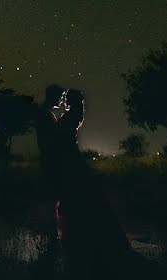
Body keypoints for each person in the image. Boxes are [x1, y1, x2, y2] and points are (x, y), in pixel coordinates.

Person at [56, 89, 134, 278]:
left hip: (69, 162)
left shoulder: (71, 115)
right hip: (71, 161)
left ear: (72, 100)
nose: (64, 100)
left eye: (66, 98)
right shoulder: (74, 114)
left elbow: (62, 140)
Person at [35, 84, 65, 243]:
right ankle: (52, 235)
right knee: (53, 198)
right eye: (60, 97)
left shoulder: (45, 113)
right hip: (51, 161)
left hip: (49, 160)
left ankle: (52, 233)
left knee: (53, 198)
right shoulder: (45, 115)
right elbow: (51, 141)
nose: (62, 101)